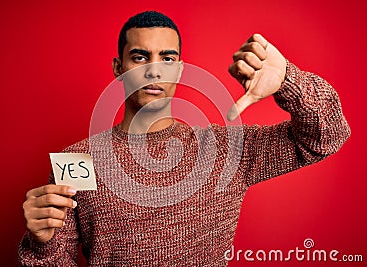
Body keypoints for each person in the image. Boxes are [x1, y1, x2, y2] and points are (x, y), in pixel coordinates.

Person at [18, 11, 350, 266]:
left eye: (167, 58)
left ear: (179, 69)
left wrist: (289, 80)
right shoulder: (77, 160)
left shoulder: (225, 149)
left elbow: (326, 137)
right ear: (118, 68)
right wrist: (43, 242)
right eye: (139, 57)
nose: (154, 70)